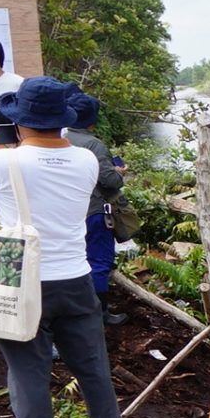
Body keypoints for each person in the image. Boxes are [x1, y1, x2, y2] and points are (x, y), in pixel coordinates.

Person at [0, 75, 130, 418]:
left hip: (22, 282)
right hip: (76, 277)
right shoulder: (86, 159)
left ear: (20, 120)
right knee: (93, 368)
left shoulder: (4, 161)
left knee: (28, 373)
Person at [61, 87, 128, 324]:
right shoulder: (93, 145)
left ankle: (77, 310)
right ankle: (100, 314)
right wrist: (120, 174)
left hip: (66, 212)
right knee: (99, 261)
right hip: (94, 210)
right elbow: (108, 180)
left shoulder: (59, 139)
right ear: (92, 119)